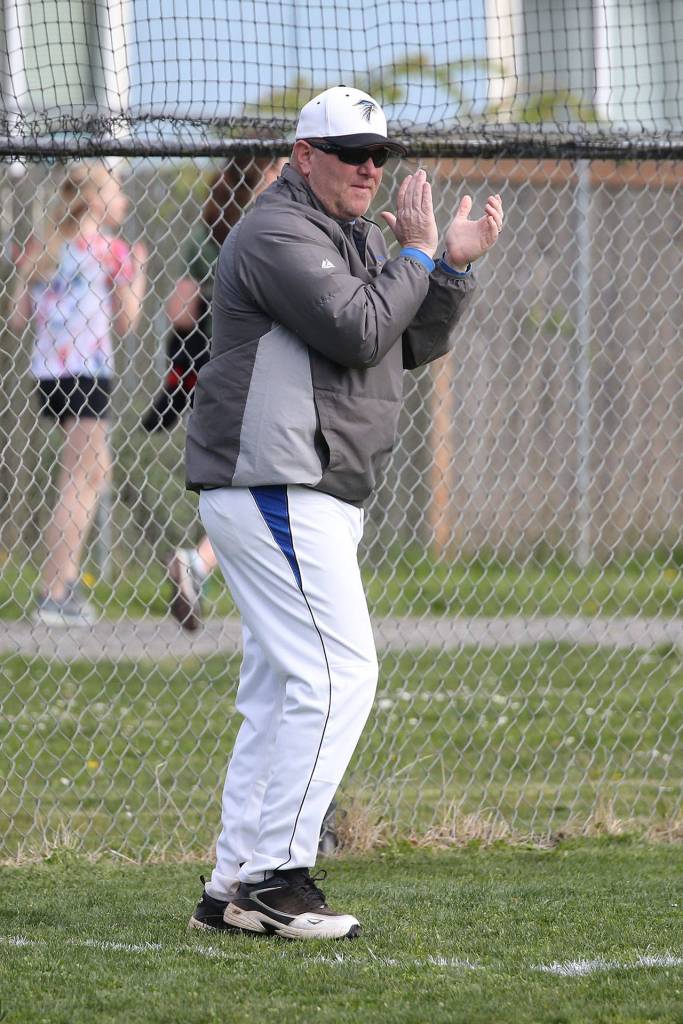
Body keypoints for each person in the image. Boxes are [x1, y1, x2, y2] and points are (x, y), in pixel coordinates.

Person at [185, 85, 503, 940]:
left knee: (281, 692)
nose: (369, 168)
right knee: (340, 675)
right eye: (351, 153)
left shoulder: (355, 237)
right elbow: (359, 329)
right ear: (303, 156)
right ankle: (276, 880)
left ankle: (230, 887)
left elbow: (409, 340)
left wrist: (447, 267)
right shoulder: (276, 230)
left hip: (307, 487)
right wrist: (417, 252)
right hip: (277, 481)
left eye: (378, 156)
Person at [141, 156, 285, 630]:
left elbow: (179, 311)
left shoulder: (210, 235)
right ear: (258, 179)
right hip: (262, 374)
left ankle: (203, 565)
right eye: (278, 170)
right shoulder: (278, 229)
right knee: (265, 484)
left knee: (249, 486)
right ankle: (201, 563)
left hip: (219, 373)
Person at [10, 162, 146, 626]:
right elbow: (127, 322)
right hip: (88, 372)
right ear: (94, 200)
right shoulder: (111, 250)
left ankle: (61, 584)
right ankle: (56, 589)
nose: (124, 200)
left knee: (93, 471)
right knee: (80, 477)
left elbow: (17, 319)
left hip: (50, 373)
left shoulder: (45, 247)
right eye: (117, 191)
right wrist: (138, 274)